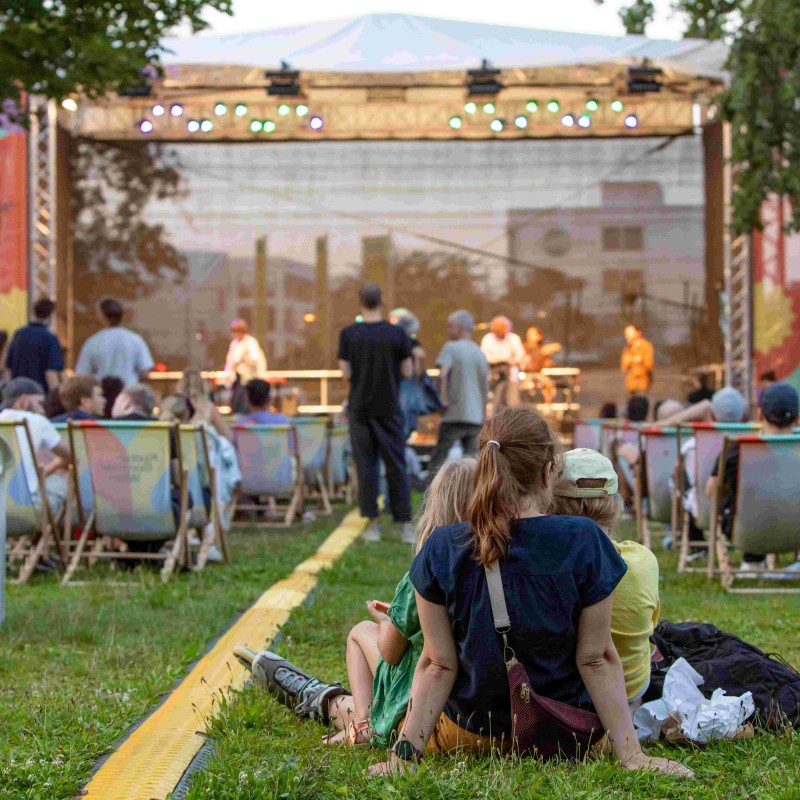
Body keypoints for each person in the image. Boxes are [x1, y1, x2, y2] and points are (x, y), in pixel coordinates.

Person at [371, 407, 692, 777]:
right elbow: (597, 659)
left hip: (471, 734)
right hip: (565, 733)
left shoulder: (442, 546)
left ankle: (341, 708)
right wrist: (633, 756)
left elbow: (437, 664)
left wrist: (403, 759)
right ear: (547, 472)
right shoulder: (584, 540)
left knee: (374, 649)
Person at [240, 459, 478, 748]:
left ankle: (363, 720)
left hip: (422, 690)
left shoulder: (426, 569)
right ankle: (323, 699)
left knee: (359, 632)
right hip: (471, 691)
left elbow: (390, 653)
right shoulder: (494, 567)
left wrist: (389, 621)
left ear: (435, 508)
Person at [551, 449, 660, 709]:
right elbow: (651, 623)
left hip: (561, 699)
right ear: (614, 505)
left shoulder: (542, 567)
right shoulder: (642, 561)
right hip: (629, 693)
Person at [338, 284, 414, 544]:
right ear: (381, 301)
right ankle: (405, 526)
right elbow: (407, 371)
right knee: (396, 464)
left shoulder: (348, 334)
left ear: (360, 301)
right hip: (389, 407)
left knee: (366, 466)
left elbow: (345, 373)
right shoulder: (397, 334)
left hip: (360, 408)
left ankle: (372, 526)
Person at [706, 382, 799, 573]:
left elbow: (712, 491)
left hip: (745, 533)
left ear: (759, 414)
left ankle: (753, 560)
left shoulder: (738, 447)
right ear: (797, 418)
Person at [426, 310, 488, 481]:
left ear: (460, 328)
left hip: (453, 414)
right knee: (472, 464)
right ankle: (471, 499)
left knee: (439, 458)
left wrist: (441, 400)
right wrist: (483, 414)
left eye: (450, 326)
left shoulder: (450, 348)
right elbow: (485, 386)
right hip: (475, 417)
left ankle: (431, 495)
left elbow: (442, 374)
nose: (447, 330)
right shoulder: (480, 353)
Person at [0, 377, 71, 519]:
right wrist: (53, 467)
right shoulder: (36, 420)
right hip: (26, 510)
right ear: (24, 400)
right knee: (64, 475)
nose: (42, 408)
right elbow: (71, 456)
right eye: (40, 402)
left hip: (2, 510)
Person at [75, 298, 155, 387]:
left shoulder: (93, 342)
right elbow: (145, 373)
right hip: (129, 393)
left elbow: (83, 375)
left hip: (102, 394)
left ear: (101, 316)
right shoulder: (135, 340)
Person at [3, 298, 64, 391]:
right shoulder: (50, 338)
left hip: (17, 394)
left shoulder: (18, 334)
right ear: (51, 315)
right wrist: (55, 398)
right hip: (39, 394)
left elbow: (8, 368)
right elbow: (50, 372)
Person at [480, 316, 525, 413]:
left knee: (513, 404)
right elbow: (484, 357)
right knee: (494, 404)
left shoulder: (514, 339)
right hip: (493, 377)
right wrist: (502, 360)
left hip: (511, 376)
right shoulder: (488, 339)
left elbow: (520, 356)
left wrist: (511, 362)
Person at [224, 319, 268, 414]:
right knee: (235, 405)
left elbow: (254, 360)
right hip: (237, 380)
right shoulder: (234, 343)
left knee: (245, 406)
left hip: (248, 381)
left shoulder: (251, 342)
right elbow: (231, 361)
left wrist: (243, 359)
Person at [177, 366, 230, 440]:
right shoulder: (209, 408)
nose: (192, 390)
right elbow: (227, 435)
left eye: (194, 385)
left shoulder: (177, 406)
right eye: (190, 385)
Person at [522, 325, 561, 404]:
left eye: (533, 334)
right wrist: (541, 352)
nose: (529, 336)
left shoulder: (543, 348)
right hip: (525, 375)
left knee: (548, 384)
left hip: (539, 374)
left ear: (539, 336)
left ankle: (548, 407)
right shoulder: (522, 347)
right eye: (528, 334)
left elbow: (556, 348)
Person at [620, 325, 654, 397]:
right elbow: (624, 366)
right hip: (631, 382)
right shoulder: (627, 349)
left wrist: (638, 360)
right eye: (626, 334)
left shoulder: (646, 346)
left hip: (642, 381)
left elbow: (649, 364)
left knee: (642, 402)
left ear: (638, 333)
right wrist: (632, 360)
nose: (627, 336)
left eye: (630, 334)